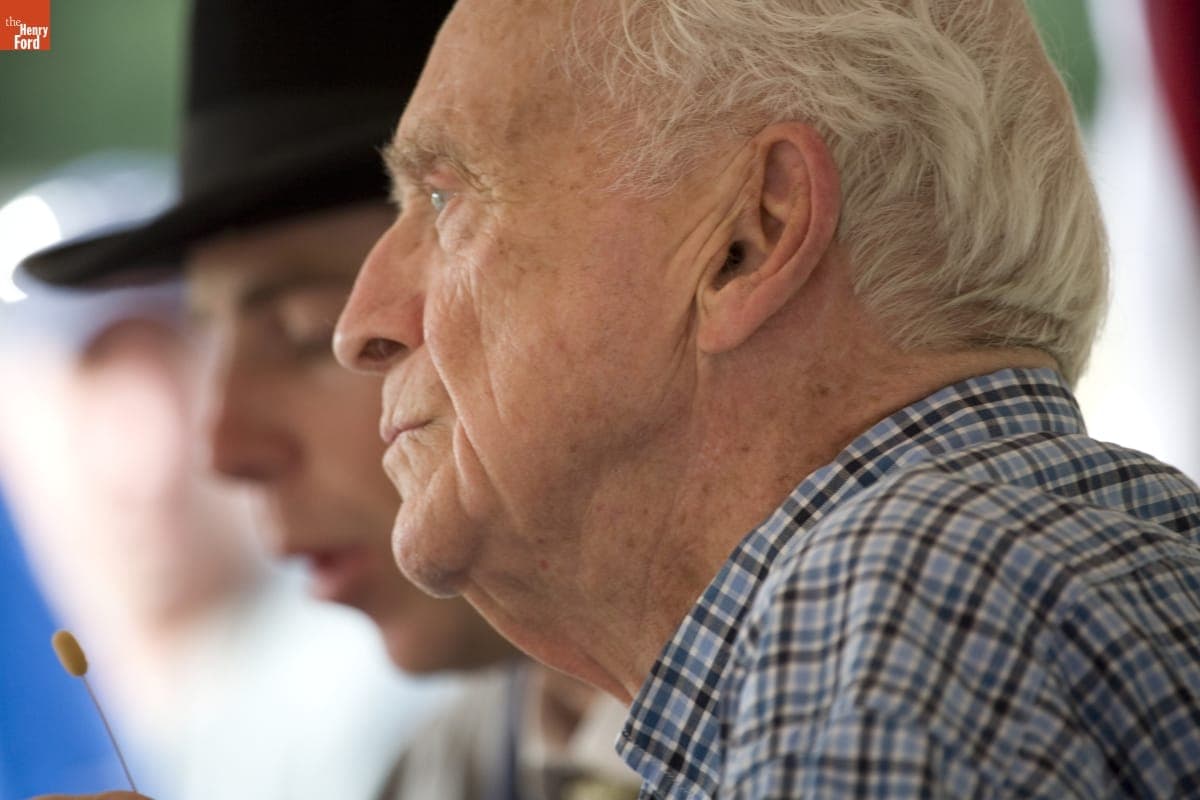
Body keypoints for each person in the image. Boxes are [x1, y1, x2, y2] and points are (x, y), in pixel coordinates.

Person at [327, 0, 1200, 797]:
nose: (360, 325)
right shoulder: (1007, 565)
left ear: (749, 238)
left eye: (444, 199)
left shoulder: (902, 593)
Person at [23, 0, 639, 798]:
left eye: (312, 330)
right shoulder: (446, 769)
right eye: (211, 336)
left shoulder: (821, 680)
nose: (223, 448)